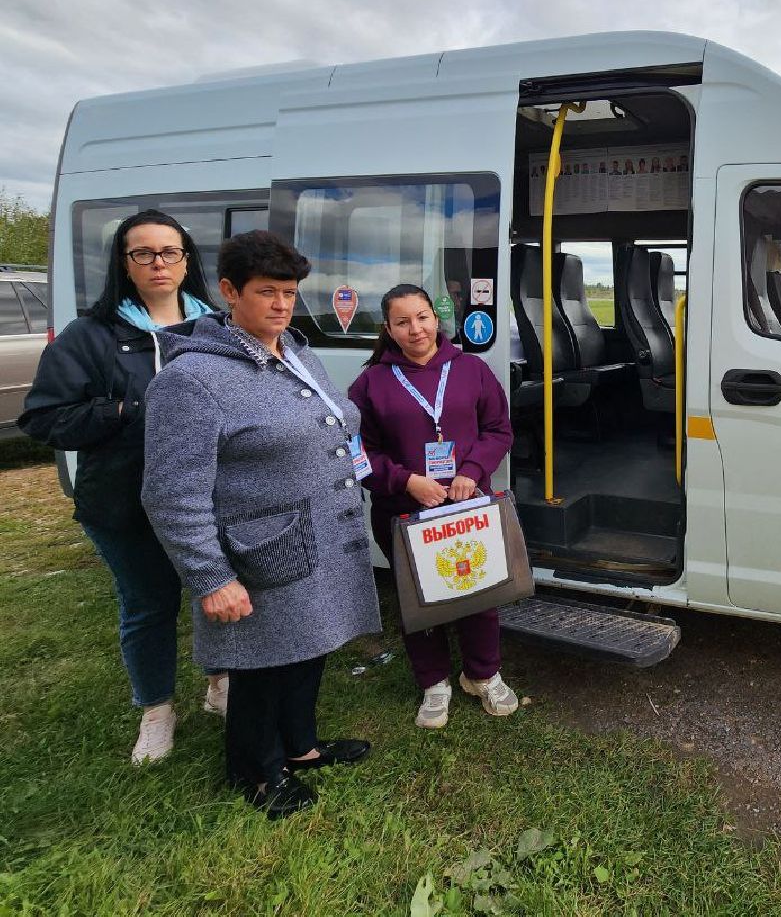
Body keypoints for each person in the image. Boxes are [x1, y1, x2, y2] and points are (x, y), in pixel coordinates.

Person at [141, 231, 381, 819]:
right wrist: (211, 577)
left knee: (309, 646)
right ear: (229, 291)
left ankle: (299, 747)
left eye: (290, 293)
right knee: (263, 662)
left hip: (319, 534)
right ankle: (254, 770)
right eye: (266, 292)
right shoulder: (193, 380)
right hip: (261, 547)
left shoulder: (294, 351)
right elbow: (171, 494)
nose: (281, 305)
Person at [18, 209, 227, 765]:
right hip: (123, 501)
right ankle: (156, 710)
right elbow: (43, 417)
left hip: (206, 499)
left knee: (214, 594)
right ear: (124, 262)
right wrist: (125, 409)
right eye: (144, 253)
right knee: (148, 604)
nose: (159, 263)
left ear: (186, 260)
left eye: (170, 252)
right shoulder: (91, 336)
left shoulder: (216, 329)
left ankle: (220, 682)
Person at [348, 283, 519, 730]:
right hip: (405, 511)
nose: (416, 329)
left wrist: (472, 471)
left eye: (422, 317)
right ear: (388, 329)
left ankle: (482, 674)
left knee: (478, 590)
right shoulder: (370, 383)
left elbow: (498, 429)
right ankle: (434, 682)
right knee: (420, 599)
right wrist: (407, 481)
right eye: (402, 322)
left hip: (466, 505)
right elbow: (358, 452)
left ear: (436, 318)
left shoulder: (472, 370)